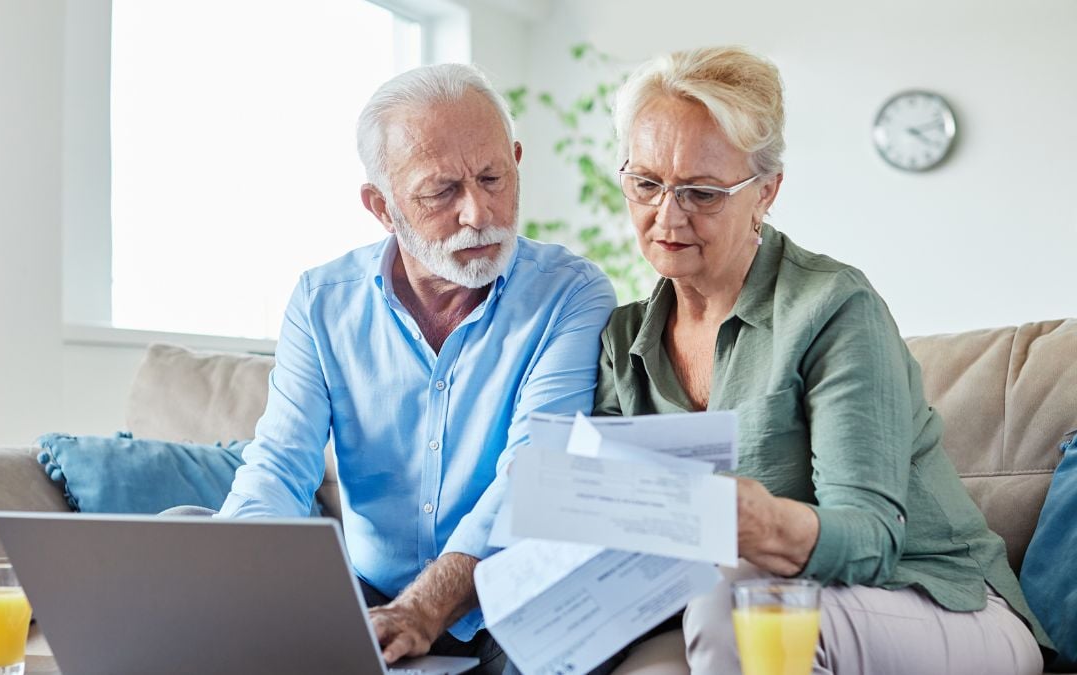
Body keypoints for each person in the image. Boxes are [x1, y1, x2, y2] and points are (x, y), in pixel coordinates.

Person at [594, 46, 1053, 674]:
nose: (667, 216)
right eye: (646, 184)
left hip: (940, 603)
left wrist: (763, 525)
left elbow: (871, 540)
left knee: (741, 612)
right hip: (722, 601)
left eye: (702, 192)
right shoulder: (624, 340)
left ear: (766, 191)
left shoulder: (833, 306)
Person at [217, 63, 616, 673]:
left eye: (492, 178)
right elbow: (279, 464)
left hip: (510, 599)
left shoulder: (572, 294)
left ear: (515, 160)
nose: (479, 214)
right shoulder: (323, 301)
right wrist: (235, 572)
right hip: (371, 594)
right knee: (193, 533)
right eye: (442, 192)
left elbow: (535, 471)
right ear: (382, 205)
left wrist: (425, 609)